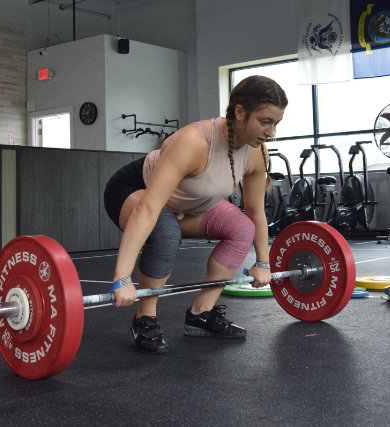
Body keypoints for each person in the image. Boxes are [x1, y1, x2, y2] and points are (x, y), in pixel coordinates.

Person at [102, 75, 288, 353]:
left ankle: (201, 314)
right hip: (134, 191)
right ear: (240, 112)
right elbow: (149, 207)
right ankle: (145, 317)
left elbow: (255, 211)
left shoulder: (256, 153)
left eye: (276, 123)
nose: (271, 131)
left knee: (241, 228)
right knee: (166, 231)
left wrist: (263, 261)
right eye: (265, 121)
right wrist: (122, 277)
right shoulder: (195, 141)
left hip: (186, 204)